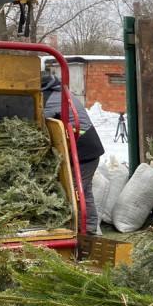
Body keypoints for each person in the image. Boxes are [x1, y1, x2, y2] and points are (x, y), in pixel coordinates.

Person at [41, 73, 105, 234]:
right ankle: (89, 227)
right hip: (86, 148)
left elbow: (38, 121)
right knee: (83, 190)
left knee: (76, 191)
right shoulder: (60, 93)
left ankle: (84, 231)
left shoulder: (49, 98)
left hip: (83, 151)